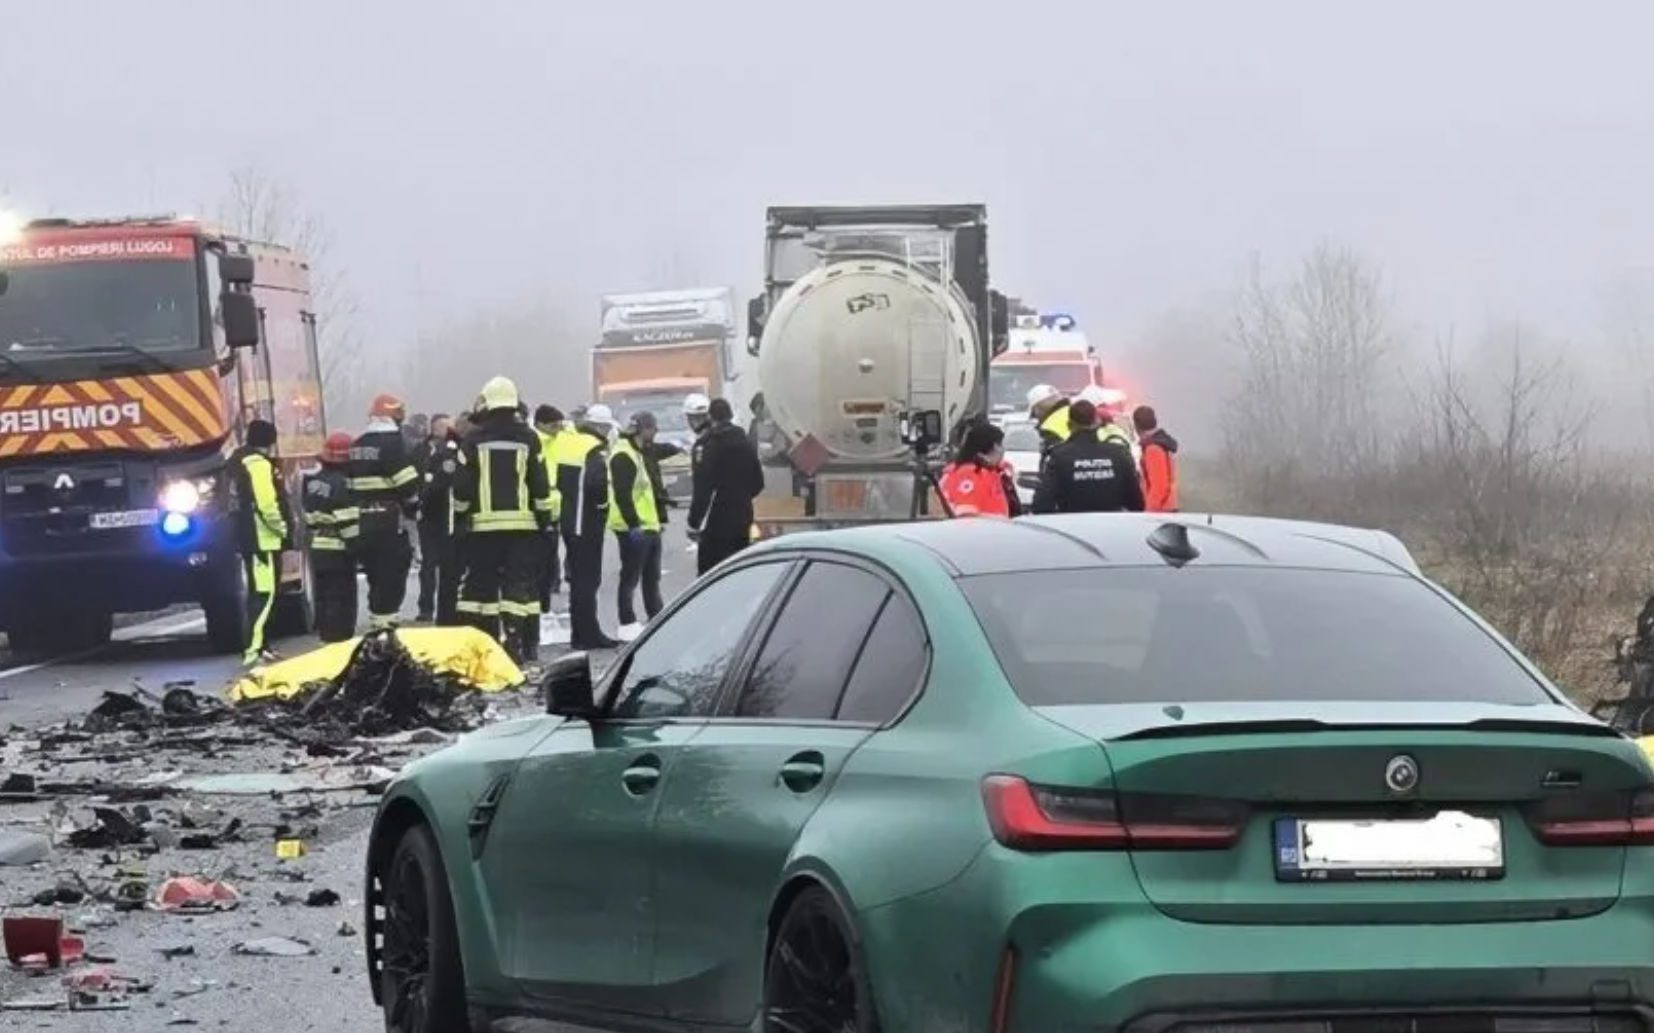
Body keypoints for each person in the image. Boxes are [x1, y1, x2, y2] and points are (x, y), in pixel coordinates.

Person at [452, 377, 556, 663]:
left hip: (483, 529)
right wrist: (544, 518)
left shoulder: (473, 439)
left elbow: (461, 486)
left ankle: (480, 646)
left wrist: (460, 516)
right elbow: (539, 483)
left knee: (479, 588)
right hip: (522, 527)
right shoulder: (529, 438)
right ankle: (517, 641)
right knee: (519, 585)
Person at [348, 393, 421, 630]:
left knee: (374, 574)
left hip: (361, 521)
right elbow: (407, 484)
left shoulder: (357, 444)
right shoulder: (393, 443)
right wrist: (414, 506)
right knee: (392, 573)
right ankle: (386, 628)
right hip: (388, 521)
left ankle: (378, 619)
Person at [230, 419, 292, 665]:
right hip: (262, 540)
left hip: (249, 537)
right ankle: (253, 651)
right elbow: (266, 503)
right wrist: (282, 528)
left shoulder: (238, 460)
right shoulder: (258, 464)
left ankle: (263, 646)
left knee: (260, 593)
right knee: (264, 595)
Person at [560, 404, 618, 649]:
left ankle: (579, 633)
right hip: (587, 521)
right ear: (600, 427)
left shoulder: (571, 444)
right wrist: (604, 506)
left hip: (570, 519)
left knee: (577, 580)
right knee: (588, 580)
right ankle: (589, 634)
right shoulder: (594, 448)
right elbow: (597, 484)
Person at [688, 397, 764, 575]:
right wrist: (741, 498)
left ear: (710, 417)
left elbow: (702, 488)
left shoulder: (707, 445)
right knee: (738, 571)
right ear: (730, 415)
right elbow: (758, 482)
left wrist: (694, 522)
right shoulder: (746, 443)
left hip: (716, 521)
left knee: (710, 574)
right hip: (743, 516)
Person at [609, 411, 669, 636]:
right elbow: (622, 495)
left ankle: (656, 617)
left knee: (651, 577)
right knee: (631, 577)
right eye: (652, 428)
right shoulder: (623, 455)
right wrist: (633, 524)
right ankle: (627, 623)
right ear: (642, 430)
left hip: (648, 525)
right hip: (634, 527)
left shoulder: (638, 453)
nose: (656, 432)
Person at [1032, 399, 1145, 514]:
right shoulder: (1120, 454)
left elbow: (1041, 505)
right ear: (1097, 423)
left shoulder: (1059, 457)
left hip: (1072, 523)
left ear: (1070, 425)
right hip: (1113, 523)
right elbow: (1137, 504)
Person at [303, 432, 361, 642]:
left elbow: (308, 517)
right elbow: (348, 523)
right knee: (342, 598)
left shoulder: (312, 483)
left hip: (317, 547)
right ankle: (339, 638)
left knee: (324, 595)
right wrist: (358, 549)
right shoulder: (343, 484)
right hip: (339, 551)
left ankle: (326, 635)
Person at [415, 416, 464, 624]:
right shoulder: (424, 452)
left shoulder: (448, 454)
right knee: (430, 565)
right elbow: (426, 483)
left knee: (449, 567)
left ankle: (448, 611)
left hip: (447, 518)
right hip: (433, 518)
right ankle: (427, 608)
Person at [939, 422, 1021, 517]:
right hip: (983, 526)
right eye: (999, 445)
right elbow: (966, 515)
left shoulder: (993, 472)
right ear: (987, 449)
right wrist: (998, 521)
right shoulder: (969, 475)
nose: (1002, 450)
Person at [531, 405, 568, 618]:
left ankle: (544, 607)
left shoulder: (559, 440)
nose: (558, 429)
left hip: (557, 507)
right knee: (540, 564)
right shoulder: (534, 442)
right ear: (540, 424)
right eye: (554, 425)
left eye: (560, 425)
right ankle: (540, 609)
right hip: (541, 508)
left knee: (550, 560)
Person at [1133, 405, 1180, 513]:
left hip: (1161, 511)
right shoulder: (1162, 443)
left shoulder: (1153, 449)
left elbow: (1159, 487)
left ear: (1136, 426)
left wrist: (1149, 512)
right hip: (1167, 507)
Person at [1027, 383, 1072, 463]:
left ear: (1039, 408)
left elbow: (1056, 462)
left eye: (1034, 413)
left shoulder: (1050, 428)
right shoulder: (1075, 413)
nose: (1036, 418)